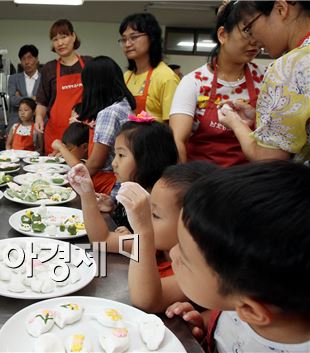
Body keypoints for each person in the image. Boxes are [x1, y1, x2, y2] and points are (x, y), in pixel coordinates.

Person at [166, 161, 310, 351]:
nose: (172, 253)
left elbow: (147, 299)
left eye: (185, 259)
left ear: (250, 311)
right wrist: (205, 328)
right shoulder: (250, 297)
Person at [169, 1, 264, 167]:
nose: (255, 41)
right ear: (222, 35)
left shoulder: (265, 79)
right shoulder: (194, 82)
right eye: (248, 31)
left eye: (259, 32)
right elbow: (178, 141)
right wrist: (185, 186)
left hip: (249, 183)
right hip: (204, 182)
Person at [117, 162, 219, 314]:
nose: (148, 219)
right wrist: (87, 195)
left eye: (155, 215)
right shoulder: (156, 244)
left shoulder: (198, 270)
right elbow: (102, 241)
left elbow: (145, 301)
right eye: (148, 209)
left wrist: (142, 232)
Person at [67, 118, 178, 253]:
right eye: (115, 154)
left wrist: (87, 195)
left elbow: (102, 241)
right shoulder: (134, 190)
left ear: (147, 159)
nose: (114, 163)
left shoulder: (154, 205)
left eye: (121, 155)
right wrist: (113, 207)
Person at [218, 0, 310, 163]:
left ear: (281, 9)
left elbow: (269, 159)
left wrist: (236, 123)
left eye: (249, 27)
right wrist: (264, 118)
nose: (252, 40)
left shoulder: (289, 66)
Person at [52, 56, 135, 195]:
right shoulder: (125, 105)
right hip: (125, 181)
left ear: (94, 86)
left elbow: (96, 163)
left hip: (110, 183)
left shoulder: (109, 113)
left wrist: (68, 181)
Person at [34, 19, 92, 154]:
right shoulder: (49, 68)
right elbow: (42, 102)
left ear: (73, 36)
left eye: (64, 37)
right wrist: (38, 118)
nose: (60, 43)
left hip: (81, 136)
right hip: (55, 134)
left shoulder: (89, 63)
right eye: (55, 39)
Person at [119, 13, 179, 122]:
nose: (127, 44)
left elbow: (173, 125)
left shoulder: (166, 77)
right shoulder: (126, 76)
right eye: (124, 39)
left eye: (134, 37)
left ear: (151, 38)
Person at [7, 44, 41, 128]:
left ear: (36, 59)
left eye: (30, 58)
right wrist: (33, 99)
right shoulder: (13, 78)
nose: (26, 62)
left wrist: (21, 98)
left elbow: (46, 101)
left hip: (38, 123)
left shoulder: (44, 79)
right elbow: (12, 100)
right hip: (17, 123)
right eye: (23, 59)